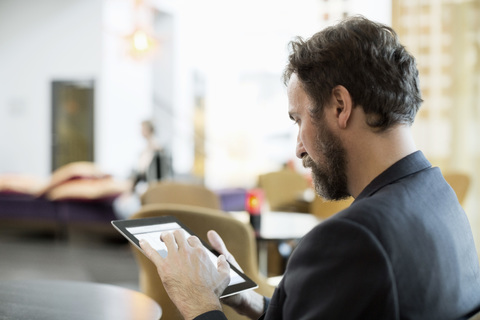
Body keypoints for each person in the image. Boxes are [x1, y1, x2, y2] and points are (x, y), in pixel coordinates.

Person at [140, 16, 480, 319]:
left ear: (340, 106)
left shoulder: (350, 240)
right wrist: (252, 302)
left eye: (299, 119)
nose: (299, 147)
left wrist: (199, 302)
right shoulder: (440, 199)